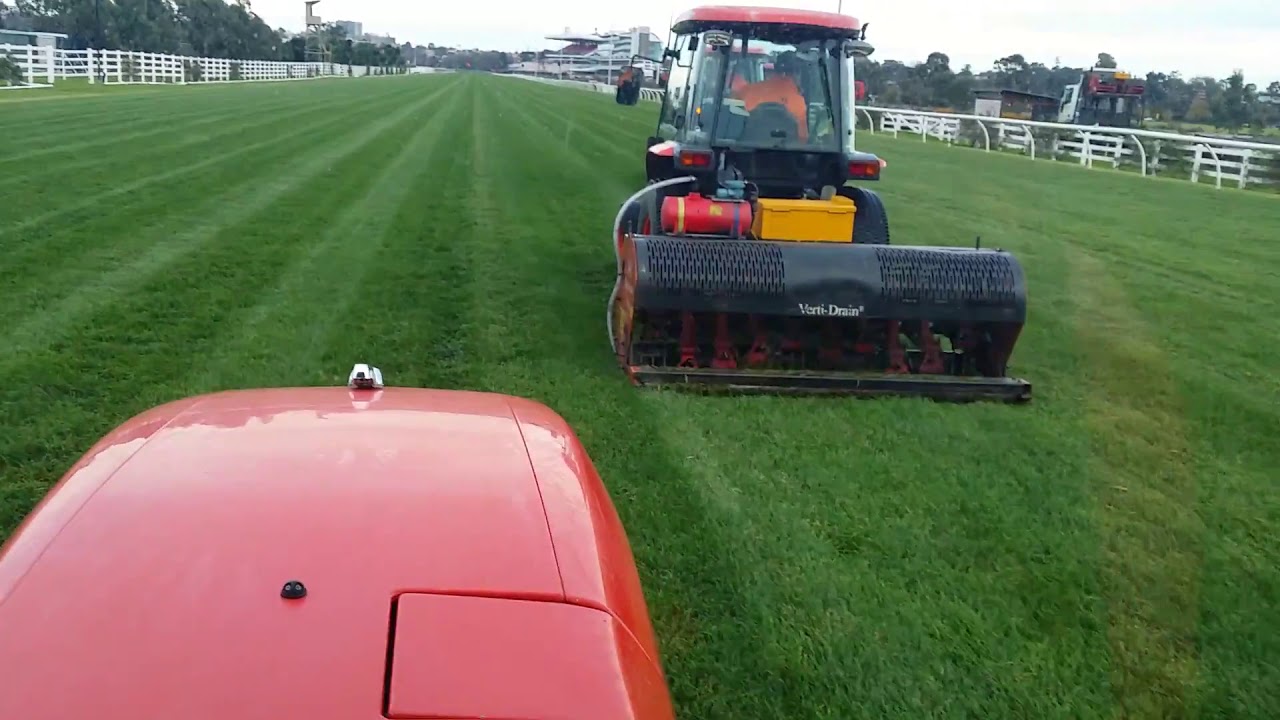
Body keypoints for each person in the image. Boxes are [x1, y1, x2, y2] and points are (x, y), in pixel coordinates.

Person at [730, 51, 808, 141]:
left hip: (747, 150)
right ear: (797, 73)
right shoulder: (799, 103)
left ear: (775, 68)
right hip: (785, 152)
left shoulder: (748, 90)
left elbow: (730, 118)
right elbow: (802, 139)